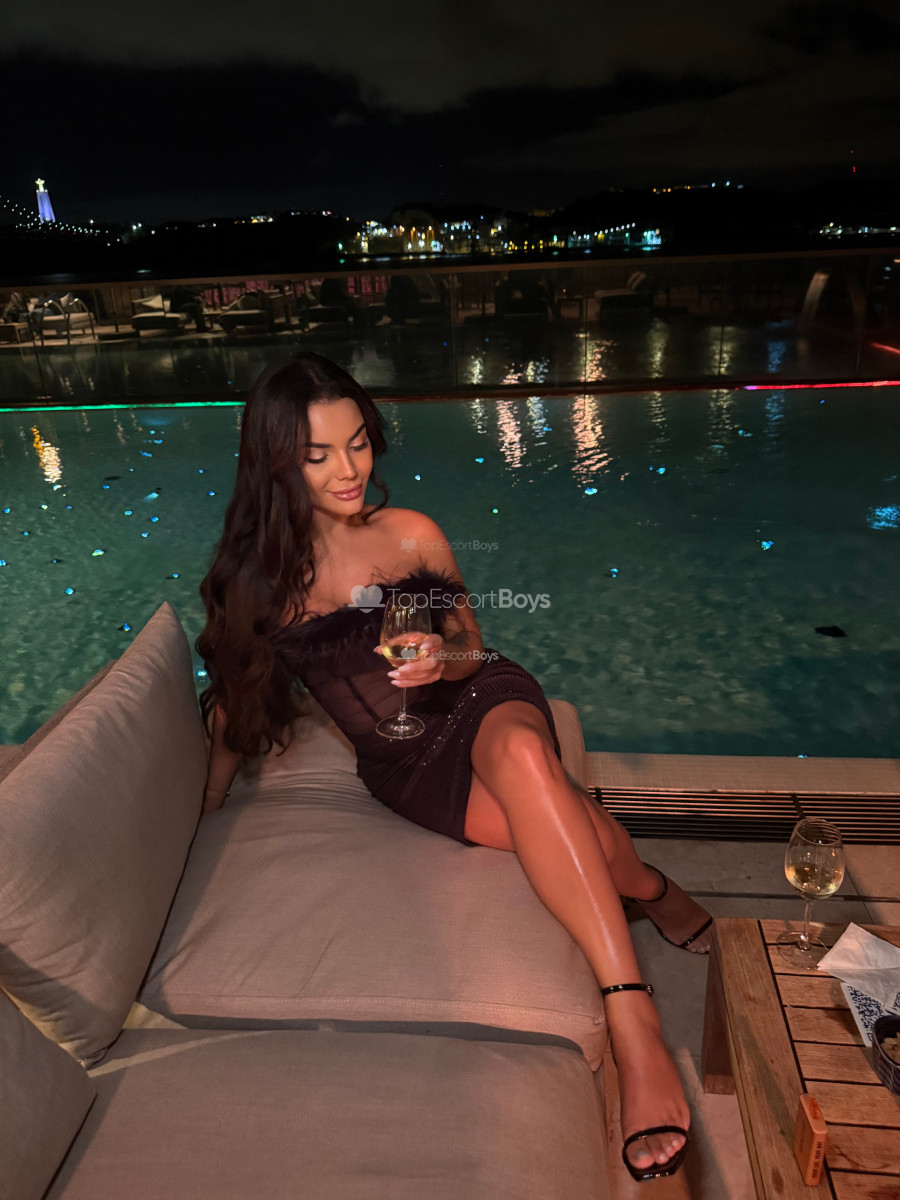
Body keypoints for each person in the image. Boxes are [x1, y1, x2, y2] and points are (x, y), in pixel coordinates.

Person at [197, 352, 712, 1183]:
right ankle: (652, 888)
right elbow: (235, 702)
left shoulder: (411, 532)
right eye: (318, 454)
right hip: (404, 767)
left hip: (481, 701)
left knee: (522, 752)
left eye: (358, 442)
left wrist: (445, 659)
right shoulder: (259, 583)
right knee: (578, 834)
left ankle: (633, 1026)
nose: (348, 469)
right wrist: (209, 801)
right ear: (276, 462)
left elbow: (471, 643)